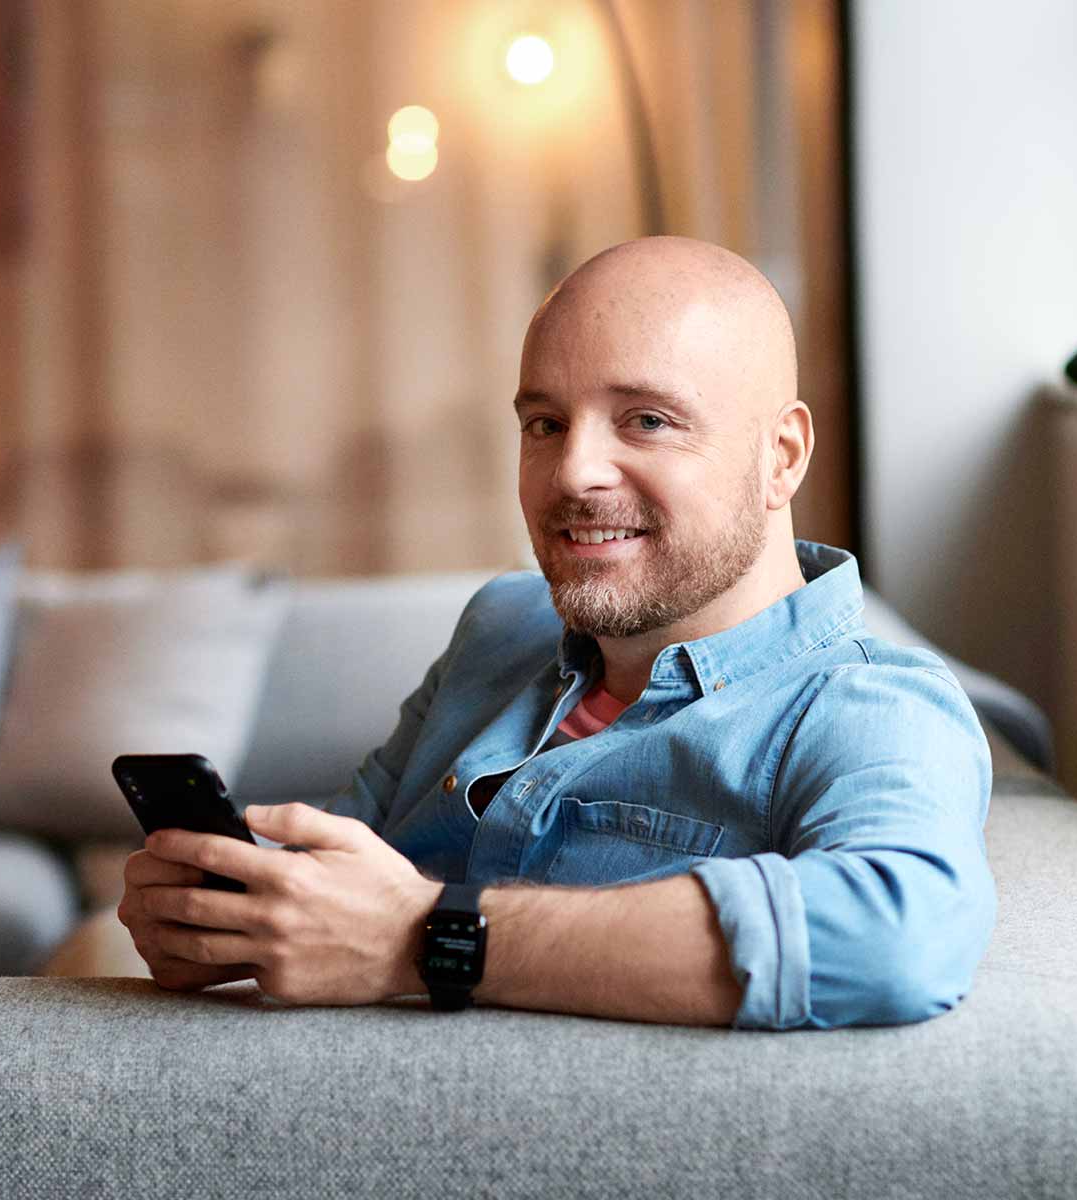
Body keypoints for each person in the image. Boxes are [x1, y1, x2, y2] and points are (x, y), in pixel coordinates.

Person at [117, 237, 996, 1029]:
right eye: (544, 423)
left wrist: (426, 939)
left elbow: (901, 934)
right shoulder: (502, 626)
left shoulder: (867, 703)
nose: (572, 471)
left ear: (783, 456)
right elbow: (360, 846)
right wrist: (236, 906)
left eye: (647, 420)